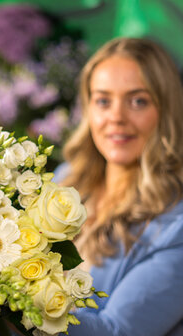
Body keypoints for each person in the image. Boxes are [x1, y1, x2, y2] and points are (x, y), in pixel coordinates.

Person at [54, 37, 183, 336]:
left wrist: (7, 306)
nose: (116, 117)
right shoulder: (65, 179)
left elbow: (116, 332)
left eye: (138, 101)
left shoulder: (176, 228)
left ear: (166, 110)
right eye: (103, 101)